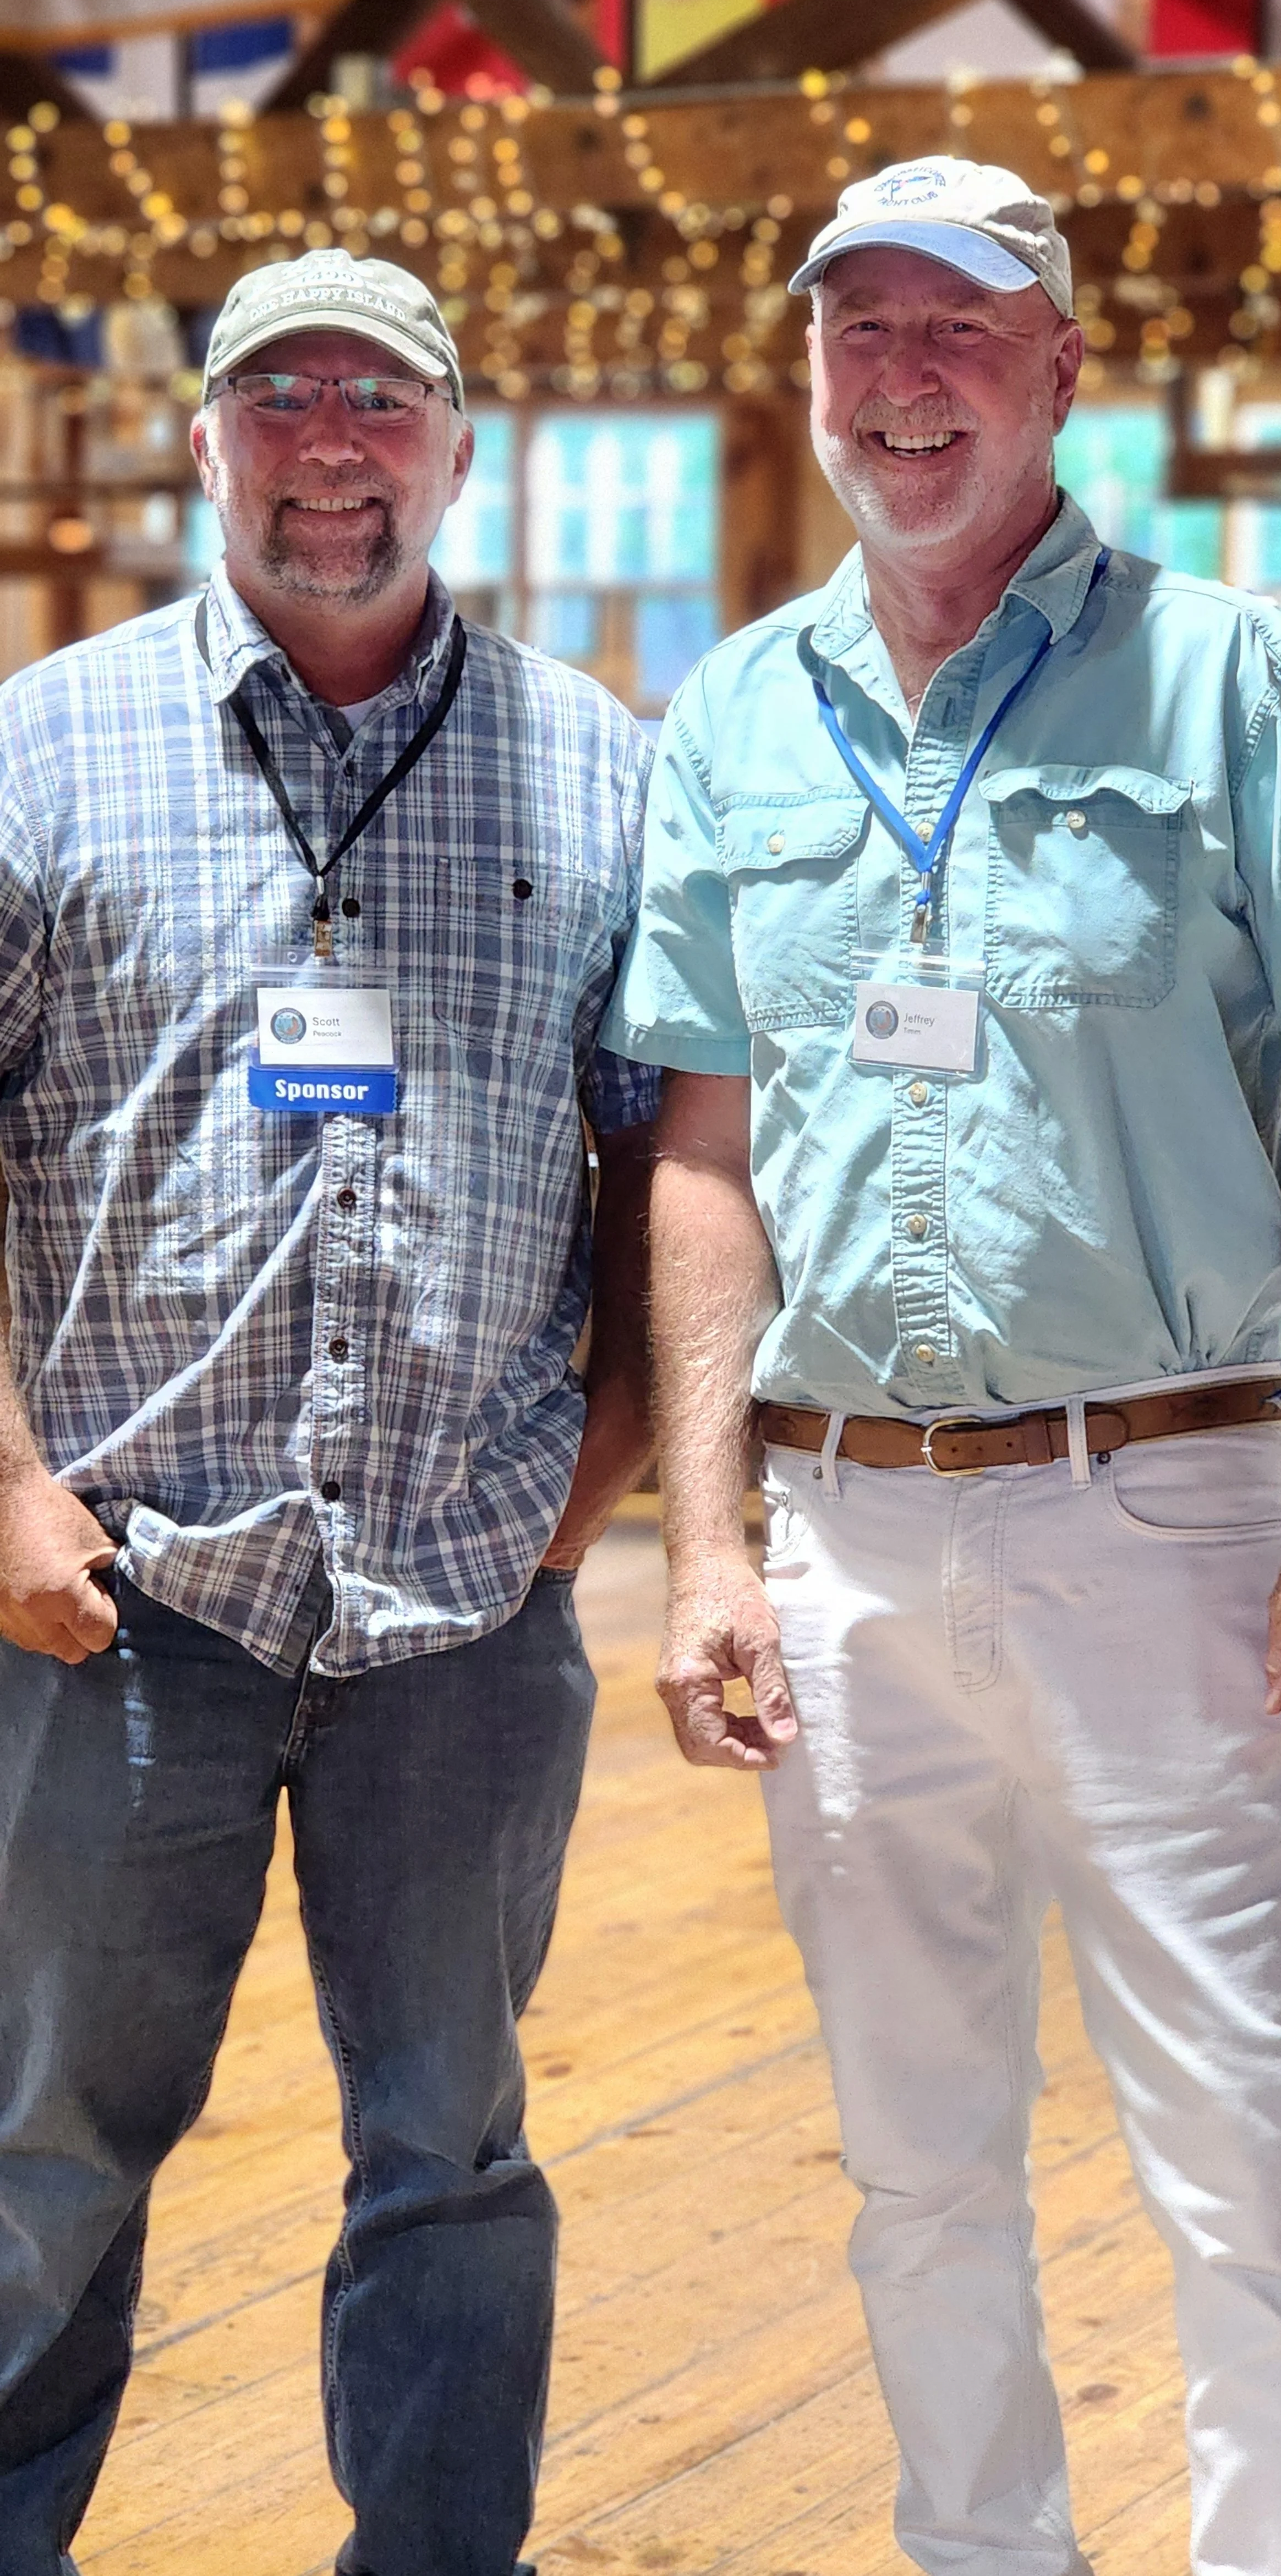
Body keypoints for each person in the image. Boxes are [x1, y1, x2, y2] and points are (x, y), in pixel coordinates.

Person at [601, 157, 1281, 2576]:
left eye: (962, 329)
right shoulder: (735, 710)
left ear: (1063, 372)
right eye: (861, 331)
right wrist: (707, 1543)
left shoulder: (1235, 680)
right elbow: (705, 1148)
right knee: (913, 2169)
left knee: (1242, 2157)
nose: (903, 378)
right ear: (810, 373)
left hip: (1164, 1524)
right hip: (837, 1544)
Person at [0, 250, 658, 2576]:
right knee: (45, 2153)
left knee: (453, 2159)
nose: (332, 445)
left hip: (465, 1617)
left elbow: (678, 1163)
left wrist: (582, 1513)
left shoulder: (603, 771)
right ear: (210, 445)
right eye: (280, 398)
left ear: (456, 452)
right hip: (118, 1604)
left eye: (381, 401)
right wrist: (0, 1492)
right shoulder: (40, 746)